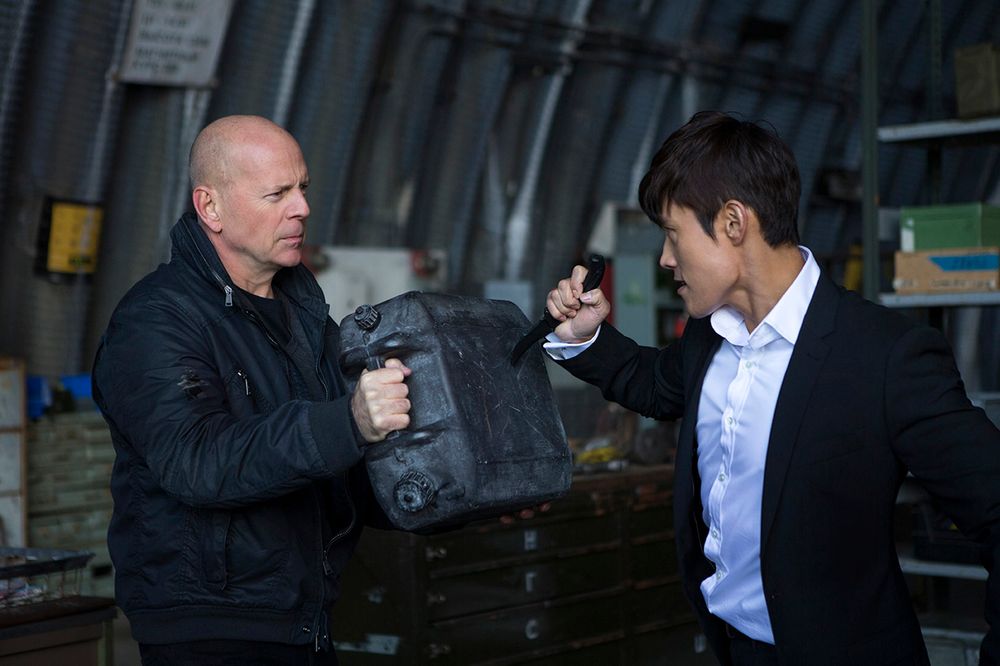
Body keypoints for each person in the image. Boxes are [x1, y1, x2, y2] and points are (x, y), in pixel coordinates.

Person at [543, 111, 1000, 665]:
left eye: (672, 233)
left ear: (734, 222)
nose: (664, 258)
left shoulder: (886, 356)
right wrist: (584, 338)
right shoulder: (708, 335)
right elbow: (656, 385)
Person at [92, 115, 412, 665]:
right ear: (210, 207)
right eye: (277, 193)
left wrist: (464, 491)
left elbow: (346, 475)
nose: (302, 208)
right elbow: (197, 461)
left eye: (303, 188)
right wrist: (349, 421)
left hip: (305, 621)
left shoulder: (307, 320)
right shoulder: (156, 320)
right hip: (211, 632)